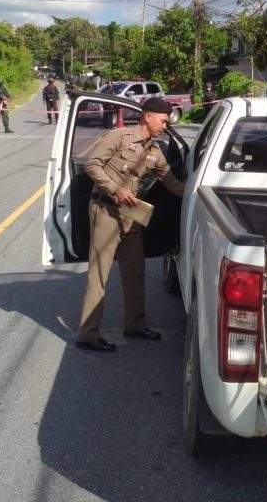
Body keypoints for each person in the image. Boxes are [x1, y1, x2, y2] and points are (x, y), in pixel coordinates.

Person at [75, 97, 185, 352]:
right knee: (99, 275)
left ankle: (135, 325)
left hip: (130, 214)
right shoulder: (119, 136)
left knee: (135, 271)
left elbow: (172, 183)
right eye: (163, 121)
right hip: (106, 209)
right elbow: (92, 165)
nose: (165, 126)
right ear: (148, 116)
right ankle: (87, 333)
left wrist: (199, 192)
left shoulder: (154, 152)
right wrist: (116, 189)